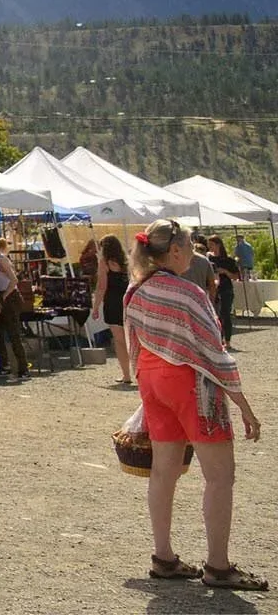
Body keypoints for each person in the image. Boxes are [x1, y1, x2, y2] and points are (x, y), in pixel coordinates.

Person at [125, 219, 265, 591]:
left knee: (163, 472)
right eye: (189, 247)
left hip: (153, 383)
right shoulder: (188, 294)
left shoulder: (136, 290)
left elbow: (134, 346)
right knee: (220, 475)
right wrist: (244, 406)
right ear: (174, 251)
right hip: (192, 386)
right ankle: (218, 566)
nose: (193, 253)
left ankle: (164, 556)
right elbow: (213, 354)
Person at [0, 236, 30, 380]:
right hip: (3, 298)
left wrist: (4, 296)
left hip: (10, 298)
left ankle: (23, 369)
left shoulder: (2, 260)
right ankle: (5, 365)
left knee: (13, 334)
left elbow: (14, 280)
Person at [97, 235, 133, 386]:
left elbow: (101, 287)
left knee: (119, 341)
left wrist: (95, 307)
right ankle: (138, 372)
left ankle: (126, 375)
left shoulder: (104, 263)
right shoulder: (127, 262)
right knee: (132, 340)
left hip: (112, 302)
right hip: (127, 302)